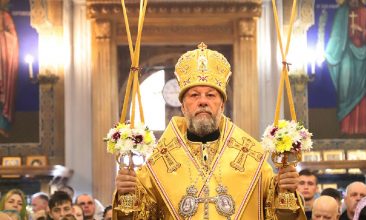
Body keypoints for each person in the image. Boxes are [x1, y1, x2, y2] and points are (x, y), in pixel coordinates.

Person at [113, 43, 306, 219]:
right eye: (194, 95)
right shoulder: (157, 164)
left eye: (211, 95)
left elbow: (279, 214)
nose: (203, 101)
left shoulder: (253, 158)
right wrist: (126, 194)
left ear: (222, 105)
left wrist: (285, 190)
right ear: (183, 106)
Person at [325, 0, 366, 135]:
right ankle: (344, 128)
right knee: (344, 91)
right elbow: (335, 37)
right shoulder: (341, 13)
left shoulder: (365, 12)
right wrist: (329, 52)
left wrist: (362, 31)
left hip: (362, 59)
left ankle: (362, 129)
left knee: (361, 93)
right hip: (345, 56)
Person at [0, 0, 19, 137]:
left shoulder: (4, 16)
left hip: (3, 58)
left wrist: (1, 35)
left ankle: (2, 125)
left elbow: (13, 37)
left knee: (3, 92)